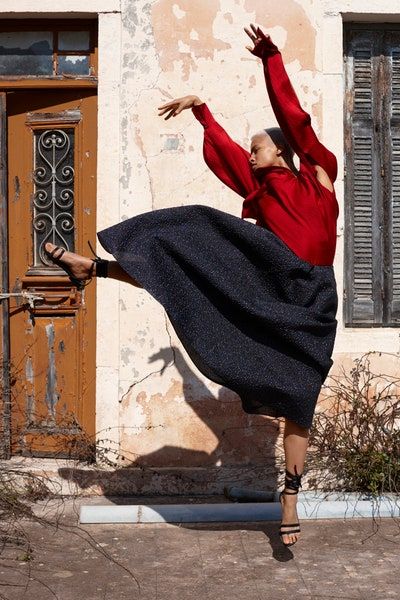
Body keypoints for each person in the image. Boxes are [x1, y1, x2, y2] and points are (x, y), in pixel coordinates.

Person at [44, 24, 339, 547]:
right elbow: (225, 153)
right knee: (193, 249)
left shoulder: (318, 172)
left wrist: (269, 58)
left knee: (301, 398)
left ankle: (289, 495)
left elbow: (296, 117)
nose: (251, 155)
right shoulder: (257, 189)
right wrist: (203, 110)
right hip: (270, 277)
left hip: (312, 297)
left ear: (282, 151)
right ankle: (97, 268)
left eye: (258, 148)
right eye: (250, 150)